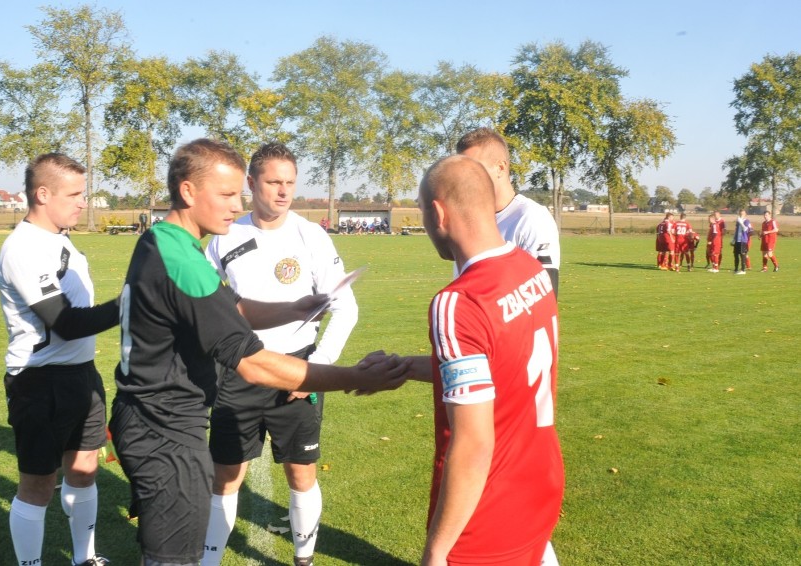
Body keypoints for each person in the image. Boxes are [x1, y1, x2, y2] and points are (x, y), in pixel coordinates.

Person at [109, 138, 408, 566]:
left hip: (161, 421)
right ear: (190, 192)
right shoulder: (185, 259)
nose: (235, 205)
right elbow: (250, 360)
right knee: (174, 555)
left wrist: (292, 309)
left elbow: (227, 307)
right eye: (227, 194)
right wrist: (359, 378)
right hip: (165, 429)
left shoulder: (161, 241)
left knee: (175, 548)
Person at [365, 155, 563, 565]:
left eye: (421, 211)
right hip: (540, 482)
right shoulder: (530, 268)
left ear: (437, 212)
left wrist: (437, 552)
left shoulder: (458, 302)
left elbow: (473, 443)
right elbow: (501, 367)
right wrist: (405, 367)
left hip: (489, 510)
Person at [203, 143, 359, 566]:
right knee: (226, 476)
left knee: (300, 471)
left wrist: (315, 368)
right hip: (239, 369)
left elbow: (346, 306)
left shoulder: (311, 235)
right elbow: (208, 308)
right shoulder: (223, 235)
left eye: (290, 182)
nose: (283, 191)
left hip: (298, 367)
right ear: (251, 184)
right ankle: (209, 560)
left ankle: (303, 560)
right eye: (274, 182)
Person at [0, 153, 119, 566]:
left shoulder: (60, 239)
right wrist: (131, 305)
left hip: (82, 375)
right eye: (75, 194)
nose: (82, 201)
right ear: (43, 194)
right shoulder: (23, 247)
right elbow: (63, 321)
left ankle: (84, 558)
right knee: (38, 484)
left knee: (84, 472)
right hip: (39, 381)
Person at [456, 128, 561, 297]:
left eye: (475, 169)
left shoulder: (532, 218)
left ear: (500, 167)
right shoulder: (469, 221)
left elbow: (544, 299)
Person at [732, 209, 752, 274]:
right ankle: (736, 269)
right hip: (737, 240)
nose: (741, 215)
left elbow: (745, 229)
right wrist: (733, 239)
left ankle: (743, 270)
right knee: (735, 255)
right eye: (740, 214)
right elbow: (736, 230)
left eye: (742, 214)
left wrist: (741, 222)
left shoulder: (746, 221)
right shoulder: (738, 221)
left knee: (742, 255)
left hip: (743, 240)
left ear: (745, 215)